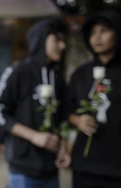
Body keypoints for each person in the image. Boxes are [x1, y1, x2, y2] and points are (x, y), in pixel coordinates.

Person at [0, 19, 68, 188]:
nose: (62, 46)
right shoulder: (18, 71)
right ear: (41, 40)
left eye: (63, 41)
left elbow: (62, 116)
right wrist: (34, 136)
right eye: (57, 40)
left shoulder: (58, 78)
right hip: (23, 167)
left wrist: (63, 147)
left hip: (51, 167)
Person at [64, 10, 121, 187]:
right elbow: (66, 109)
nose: (97, 37)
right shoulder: (80, 74)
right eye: (92, 33)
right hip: (85, 166)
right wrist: (78, 120)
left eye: (104, 31)